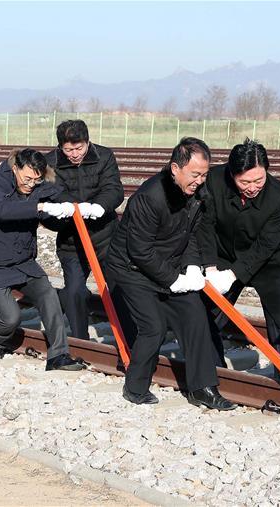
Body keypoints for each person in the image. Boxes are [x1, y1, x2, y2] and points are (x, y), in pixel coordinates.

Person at [105, 137, 234, 410]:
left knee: (195, 314)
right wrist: (174, 280)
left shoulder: (196, 193)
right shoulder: (150, 197)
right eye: (195, 174)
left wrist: (191, 267)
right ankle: (135, 388)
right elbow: (140, 251)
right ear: (175, 168)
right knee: (153, 326)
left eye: (204, 174)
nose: (200, 180)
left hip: (168, 264)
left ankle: (202, 388)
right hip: (131, 269)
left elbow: (191, 235)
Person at [0, 148, 84, 371]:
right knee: (11, 318)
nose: (31, 184)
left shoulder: (39, 183)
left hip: (22, 259)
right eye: (27, 178)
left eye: (36, 180)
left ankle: (58, 356)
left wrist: (74, 207)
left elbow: (60, 193)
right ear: (15, 169)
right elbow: (3, 210)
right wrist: (39, 206)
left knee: (49, 295)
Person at [198, 138, 280, 375]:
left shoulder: (279, 195)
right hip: (224, 255)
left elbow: (267, 244)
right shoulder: (214, 181)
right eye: (244, 181)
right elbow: (205, 224)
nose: (253, 187)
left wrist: (235, 274)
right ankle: (212, 372)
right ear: (231, 174)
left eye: (259, 180)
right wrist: (211, 267)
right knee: (209, 315)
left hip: (269, 263)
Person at [43, 120, 123, 340]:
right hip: (72, 241)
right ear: (60, 147)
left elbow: (114, 188)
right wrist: (72, 211)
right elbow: (53, 195)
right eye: (68, 149)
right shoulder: (50, 163)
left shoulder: (104, 156)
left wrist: (98, 206)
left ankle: (127, 339)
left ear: (88, 142)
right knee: (74, 292)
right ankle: (80, 340)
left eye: (79, 148)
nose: (75, 154)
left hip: (106, 238)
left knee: (119, 290)